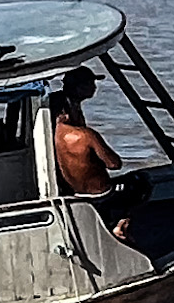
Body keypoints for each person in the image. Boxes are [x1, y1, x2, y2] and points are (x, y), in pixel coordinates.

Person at [52, 70, 132, 239]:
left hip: (76, 187)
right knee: (139, 184)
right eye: (89, 84)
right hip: (98, 192)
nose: (94, 88)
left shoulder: (63, 127)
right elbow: (114, 164)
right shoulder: (85, 135)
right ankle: (118, 226)